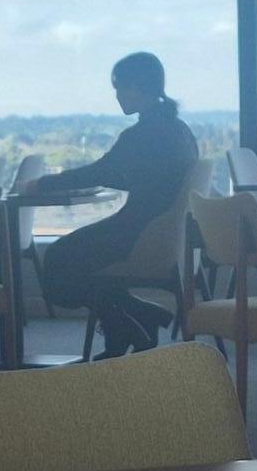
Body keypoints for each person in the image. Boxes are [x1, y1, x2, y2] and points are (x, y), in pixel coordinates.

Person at [18, 51, 200, 354]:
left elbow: (98, 172)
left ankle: (127, 321)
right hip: (162, 233)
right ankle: (132, 320)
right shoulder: (178, 129)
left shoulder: (143, 134)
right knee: (79, 260)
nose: (117, 95)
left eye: (121, 88)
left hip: (138, 232)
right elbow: (147, 176)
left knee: (58, 262)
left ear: (139, 87)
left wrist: (41, 184)